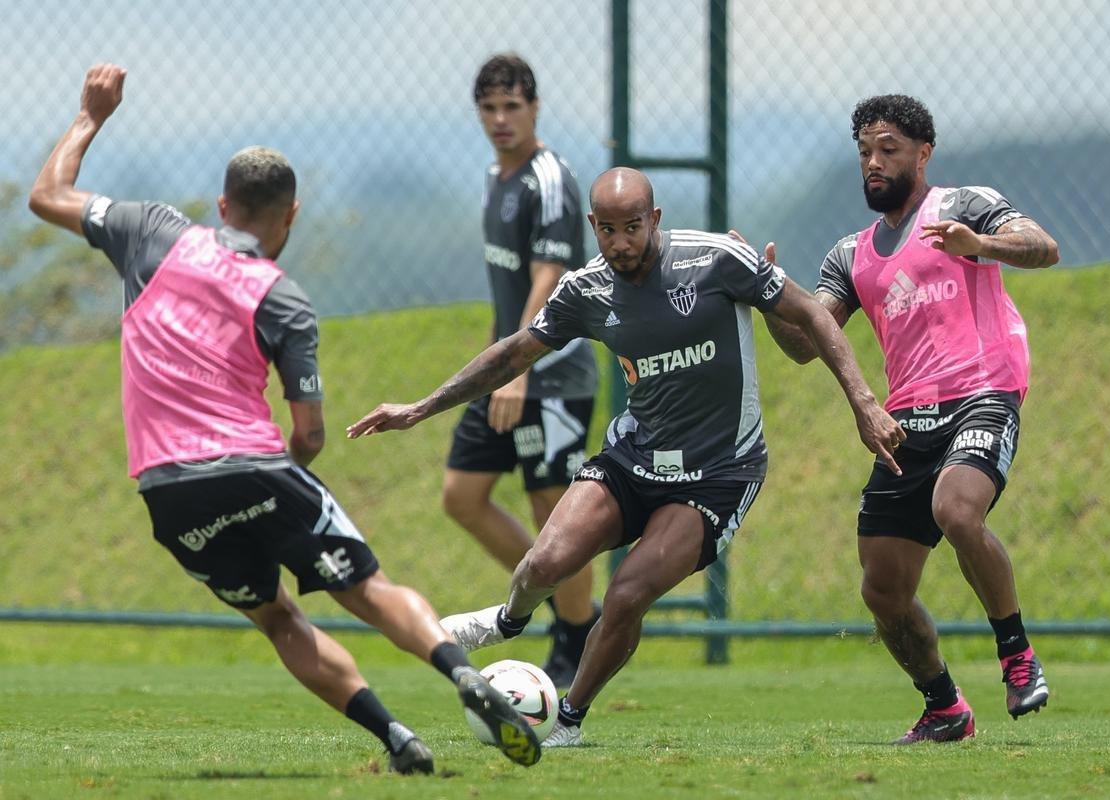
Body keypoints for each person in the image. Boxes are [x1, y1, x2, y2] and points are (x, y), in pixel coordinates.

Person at [28, 63, 540, 773]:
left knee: (277, 617)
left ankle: (396, 739)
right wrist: (274, 480)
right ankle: (460, 672)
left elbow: (46, 194)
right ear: (289, 217)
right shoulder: (284, 298)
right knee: (367, 589)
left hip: (169, 490)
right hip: (259, 467)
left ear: (222, 205)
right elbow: (308, 436)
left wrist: (91, 114)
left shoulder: (149, 230)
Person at [348, 166, 905, 747]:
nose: (620, 243)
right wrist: (421, 407)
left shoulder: (716, 259)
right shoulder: (584, 289)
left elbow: (813, 313)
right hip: (633, 457)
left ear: (655, 219)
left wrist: (864, 404)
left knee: (627, 594)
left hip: (719, 473)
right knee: (544, 564)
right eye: (608, 230)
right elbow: (513, 354)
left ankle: (566, 722)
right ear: (593, 226)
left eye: (632, 228)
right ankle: (506, 621)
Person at [756, 94, 1058, 744]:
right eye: (865, 150)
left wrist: (979, 244)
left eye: (887, 148)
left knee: (956, 510)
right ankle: (944, 708)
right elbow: (807, 346)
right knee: (882, 590)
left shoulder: (965, 205)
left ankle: (1016, 653)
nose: (873, 161)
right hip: (908, 420)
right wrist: (765, 294)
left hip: (985, 390)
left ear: (922, 153)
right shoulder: (851, 253)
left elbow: (1043, 247)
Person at [441, 54, 600, 688]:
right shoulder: (495, 178)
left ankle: (577, 633)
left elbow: (550, 275)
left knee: (552, 513)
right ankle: (557, 607)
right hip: (505, 368)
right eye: (489, 108)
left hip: (551, 376)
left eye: (512, 107)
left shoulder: (549, 178)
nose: (501, 120)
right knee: (461, 496)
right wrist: (492, 364)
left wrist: (517, 370)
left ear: (534, 108)